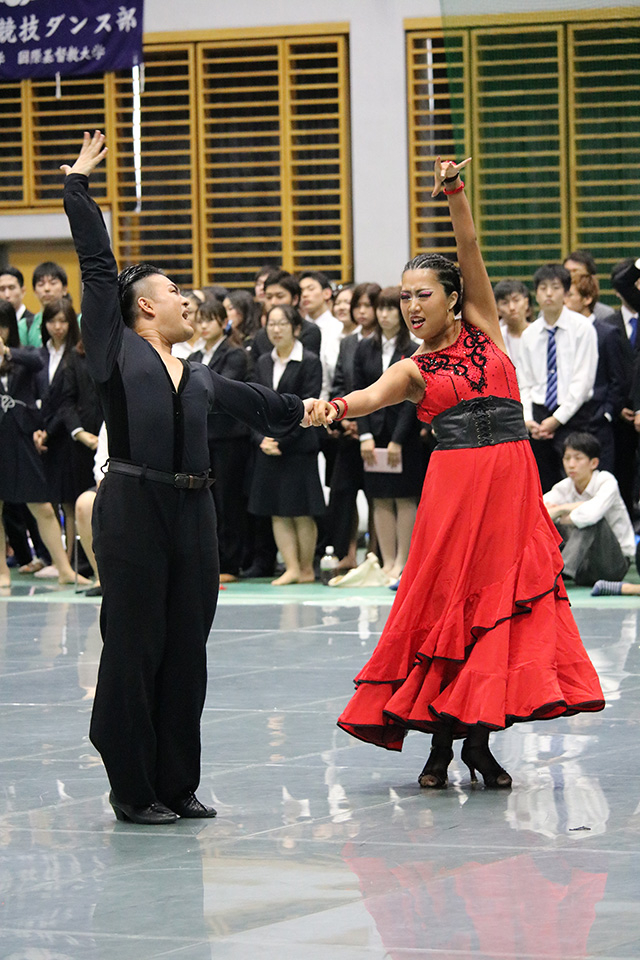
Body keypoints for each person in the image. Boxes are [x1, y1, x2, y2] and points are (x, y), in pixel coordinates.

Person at [307, 156, 604, 790]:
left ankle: (476, 746)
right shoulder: (415, 369)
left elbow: (468, 247)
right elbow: (366, 397)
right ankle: (442, 749)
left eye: (424, 295)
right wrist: (329, 407)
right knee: (450, 614)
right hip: (455, 494)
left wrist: (455, 193)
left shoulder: (489, 330)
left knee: (496, 616)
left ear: (452, 298)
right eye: (404, 296)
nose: (411, 306)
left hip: (511, 490)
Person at [62, 131, 309, 825]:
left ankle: (176, 783)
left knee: (186, 653)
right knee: (135, 646)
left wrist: (319, 411)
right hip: (135, 504)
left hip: (195, 517)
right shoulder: (115, 351)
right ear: (144, 306)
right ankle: (131, 785)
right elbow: (97, 264)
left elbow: (266, 405)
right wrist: (78, 187)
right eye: (174, 293)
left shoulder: (200, 374)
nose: (185, 301)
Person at [0, 300, 88, 588]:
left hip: (21, 437)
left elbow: (37, 363)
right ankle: (1, 571)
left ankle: (64, 568)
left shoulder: (24, 354)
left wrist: (7, 352)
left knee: (44, 507)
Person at [248, 304, 324, 585]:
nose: (276, 330)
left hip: (298, 445)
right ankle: (291, 566)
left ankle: (305, 568)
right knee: (277, 511)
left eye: (282, 324)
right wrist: (262, 439)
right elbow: (255, 404)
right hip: (268, 446)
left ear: (296, 328)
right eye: (271, 324)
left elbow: (309, 403)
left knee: (300, 510)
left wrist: (280, 438)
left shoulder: (309, 361)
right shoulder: (263, 362)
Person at [354, 286, 426, 580]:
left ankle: (404, 563)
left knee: (405, 497)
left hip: (405, 436)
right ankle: (387, 564)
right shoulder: (363, 347)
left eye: (389, 309)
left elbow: (412, 398)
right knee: (379, 497)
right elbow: (359, 392)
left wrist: (397, 440)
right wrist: (365, 436)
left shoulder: (414, 348)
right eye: (380, 309)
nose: (384, 315)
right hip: (373, 433)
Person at [518, 264, 598, 491]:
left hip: (573, 415)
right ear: (536, 294)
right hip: (538, 416)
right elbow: (525, 382)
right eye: (543, 288)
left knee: (576, 483)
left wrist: (557, 419)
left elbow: (583, 383)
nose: (549, 293)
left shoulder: (583, 328)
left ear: (565, 292)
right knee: (541, 485)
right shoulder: (529, 334)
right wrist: (527, 418)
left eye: (555, 287)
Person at [189, 298, 250, 584]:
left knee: (228, 501)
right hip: (204, 436)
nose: (202, 325)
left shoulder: (235, 354)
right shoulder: (197, 355)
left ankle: (231, 561)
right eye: (199, 320)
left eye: (208, 320)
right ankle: (212, 558)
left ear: (223, 322)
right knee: (208, 501)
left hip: (229, 438)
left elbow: (218, 392)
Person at [543, 433, 634, 586]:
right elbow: (539, 512)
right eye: (567, 458)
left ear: (593, 463)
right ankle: (547, 571)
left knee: (591, 521)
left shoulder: (606, 481)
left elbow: (590, 516)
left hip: (614, 565)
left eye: (578, 458)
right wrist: (562, 512)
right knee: (549, 525)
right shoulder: (563, 487)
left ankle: (559, 571)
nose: (571, 464)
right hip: (583, 568)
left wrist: (561, 509)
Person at [564, 274, 628, 472]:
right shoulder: (563, 333)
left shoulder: (606, 332)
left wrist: (607, 413)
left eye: (570, 295)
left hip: (597, 419)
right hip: (567, 418)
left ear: (587, 299)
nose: (564, 300)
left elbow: (618, 378)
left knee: (601, 477)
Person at [563, 250, 615, 322]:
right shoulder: (551, 312)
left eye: (575, 271)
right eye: (566, 271)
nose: (570, 275)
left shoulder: (604, 314)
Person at [493, 279, 531, 367]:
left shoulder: (538, 333)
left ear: (526, 303)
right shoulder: (496, 339)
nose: (512, 307)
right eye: (505, 303)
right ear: (498, 310)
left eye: (516, 300)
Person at [0, 267, 36, 345]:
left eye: (11, 288)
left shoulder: (34, 323)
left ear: (23, 291)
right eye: (2, 289)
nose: (7, 295)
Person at [171, 290, 205, 359]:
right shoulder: (172, 343)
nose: (185, 317)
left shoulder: (208, 339)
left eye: (189, 312)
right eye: (179, 313)